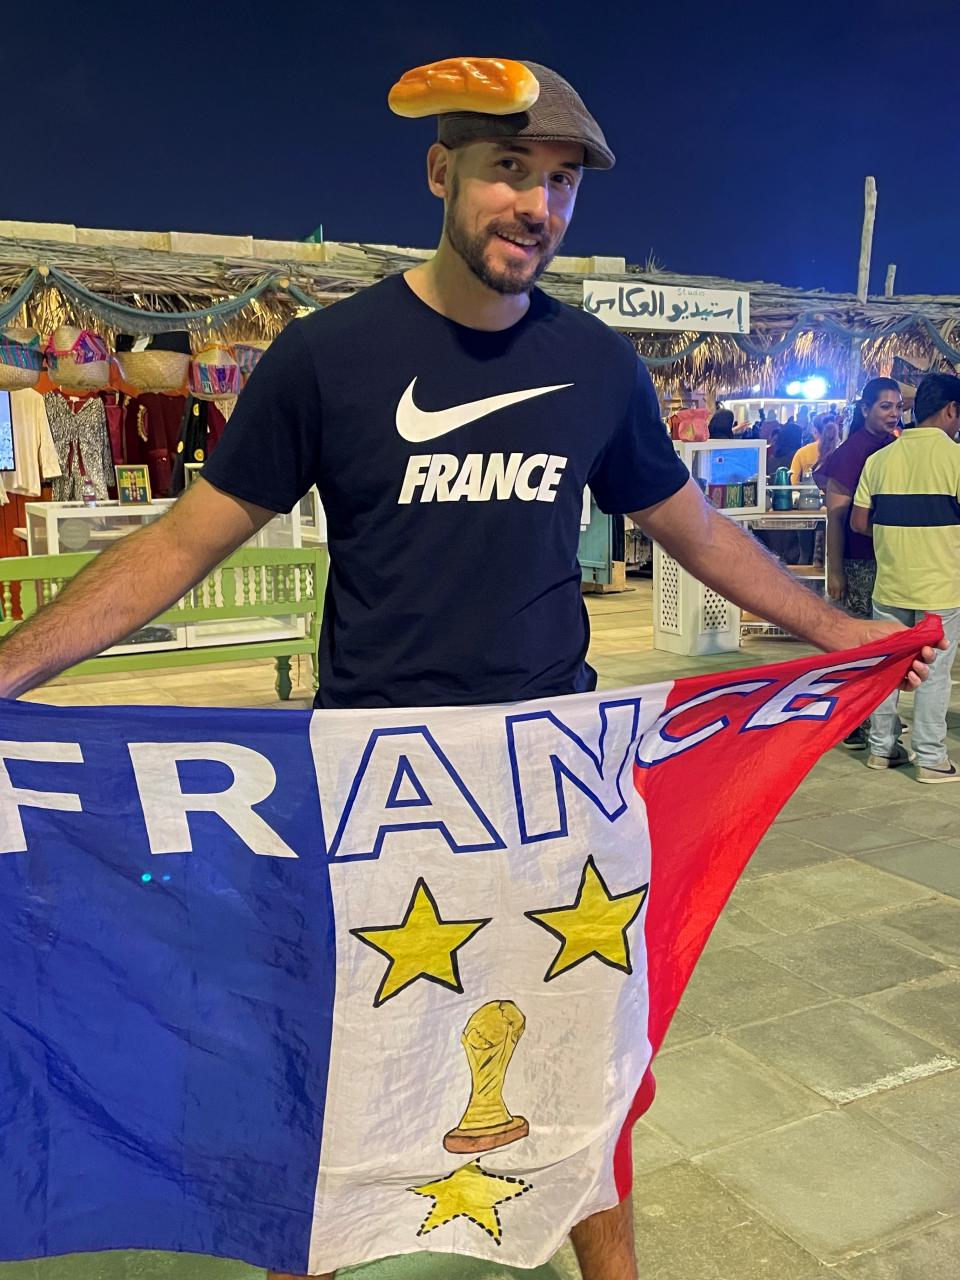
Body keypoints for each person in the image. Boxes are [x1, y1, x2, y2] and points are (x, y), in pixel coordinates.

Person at [0, 59, 938, 1280]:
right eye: (509, 170)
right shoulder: (328, 357)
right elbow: (187, 536)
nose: (535, 206)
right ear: (441, 172)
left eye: (559, 183)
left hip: (555, 783)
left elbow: (694, 530)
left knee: (588, 1062)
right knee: (340, 1055)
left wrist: (839, 633)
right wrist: (12, 667)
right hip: (377, 783)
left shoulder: (599, 366)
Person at [852, 373, 960, 781]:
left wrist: (897, 531)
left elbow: (860, 522)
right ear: (951, 410)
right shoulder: (956, 459)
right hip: (941, 585)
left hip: (890, 582)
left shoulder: (880, 460)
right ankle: (931, 758)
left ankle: (882, 749)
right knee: (934, 672)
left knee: (887, 667)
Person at [813, 377, 903, 748]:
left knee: (877, 645)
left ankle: (867, 719)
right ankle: (853, 723)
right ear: (865, 409)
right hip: (857, 560)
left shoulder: (892, 445)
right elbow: (834, 517)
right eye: (885, 406)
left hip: (881, 558)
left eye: (898, 406)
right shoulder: (853, 451)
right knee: (860, 646)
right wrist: (835, 571)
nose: (894, 414)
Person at [790, 413, 839, 485]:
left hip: (809, 495)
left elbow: (793, 482)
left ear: (815, 430)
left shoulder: (802, 452)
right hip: (835, 495)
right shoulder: (842, 452)